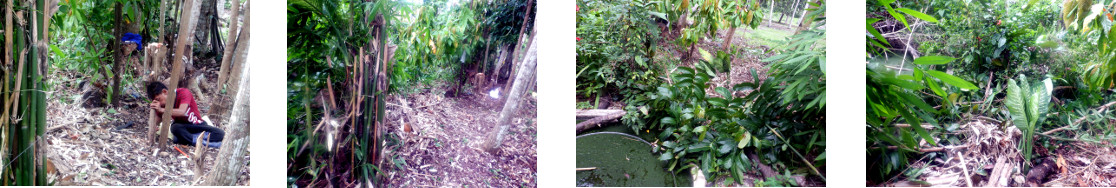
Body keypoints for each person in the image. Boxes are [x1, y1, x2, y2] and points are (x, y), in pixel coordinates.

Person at [147, 81, 224, 148]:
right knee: (175, 127)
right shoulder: (163, 104)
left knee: (221, 134)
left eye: (158, 99)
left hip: (197, 126)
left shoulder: (183, 92)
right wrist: (153, 126)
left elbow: (182, 112)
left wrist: (162, 109)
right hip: (182, 127)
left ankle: (187, 139)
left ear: (165, 92)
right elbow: (157, 120)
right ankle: (207, 144)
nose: (159, 103)